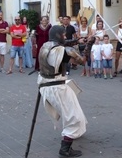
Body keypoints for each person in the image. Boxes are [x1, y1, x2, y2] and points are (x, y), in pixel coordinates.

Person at [37, 25, 86, 157]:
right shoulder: (63, 51)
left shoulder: (45, 46)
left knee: (73, 104)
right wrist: (88, 46)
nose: (65, 37)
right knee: (73, 117)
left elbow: (62, 45)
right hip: (56, 87)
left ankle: (77, 131)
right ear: (59, 35)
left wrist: (77, 40)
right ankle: (65, 148)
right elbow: (82, 61)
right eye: (64, 35)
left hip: (45, 84)